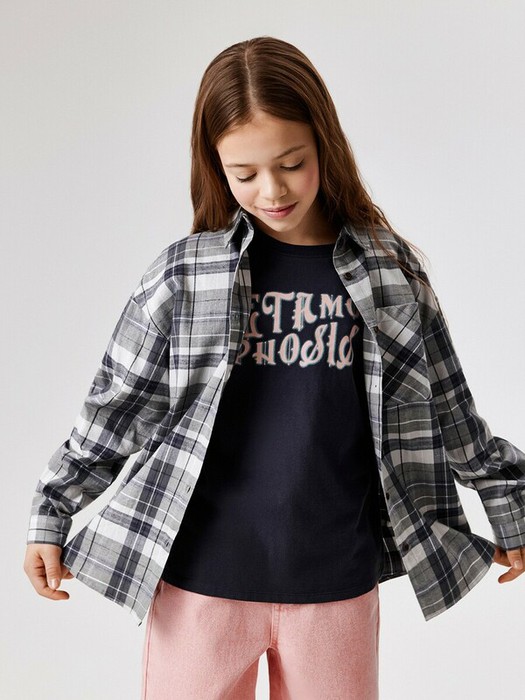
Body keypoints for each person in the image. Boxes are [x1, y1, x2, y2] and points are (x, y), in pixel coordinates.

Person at [24, 36, 525, 700]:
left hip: (334, 584)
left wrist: (509, 503)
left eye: (291, 163)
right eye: (245, 174)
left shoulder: (388, 274)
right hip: (199, 583)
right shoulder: (185, 276)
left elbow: (447, 407)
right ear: (216, 167)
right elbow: (117, 407)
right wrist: (53, 511)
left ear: (324, 145)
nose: (272, 190)